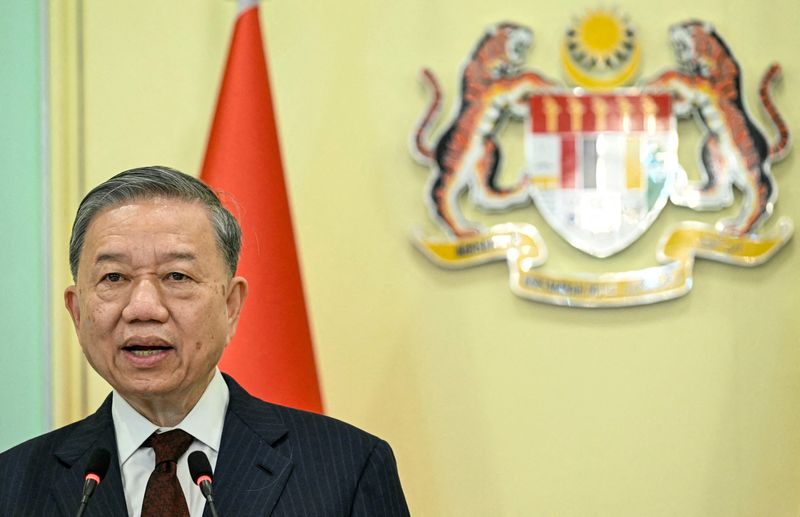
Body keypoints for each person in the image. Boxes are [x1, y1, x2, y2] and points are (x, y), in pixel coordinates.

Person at [0, 166, 410, 516]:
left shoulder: (348, 467)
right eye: (114, 278)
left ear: (231, 306)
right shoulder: (13, 484)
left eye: (177, 276)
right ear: (76, 310)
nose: (143, 307)